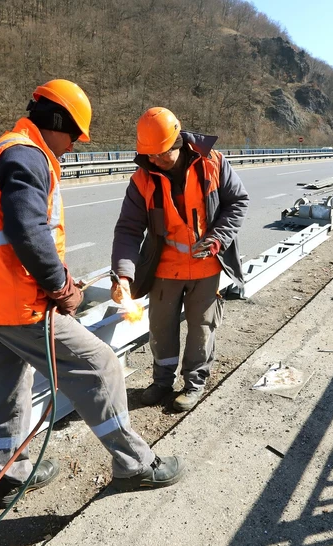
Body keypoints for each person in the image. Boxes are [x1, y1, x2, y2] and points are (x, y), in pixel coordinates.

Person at [0, 80, 183, 504]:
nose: (73, 147)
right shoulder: (27, 155)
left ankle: (13, 475)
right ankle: (134, 465)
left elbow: (9, 235)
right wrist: (59, 287)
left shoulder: (2, 149)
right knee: (100, 365)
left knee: (7, 385)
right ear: (57, 121)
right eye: (74, 135)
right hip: (15, 302)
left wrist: (57, 277)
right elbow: (27, 228)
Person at [111, 107, 249, 412]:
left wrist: (217, 238)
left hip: (206, 265)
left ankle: (194, 383)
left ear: (178, 143)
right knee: (161, 328)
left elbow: (238, 202)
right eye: (149, 155)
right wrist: (123, 274)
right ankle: (162, 382)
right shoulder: (143, 179)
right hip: (165, 267)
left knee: (201, 327)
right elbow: (128, 229)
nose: (155, 160)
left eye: (161, 154)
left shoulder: (213, 163)